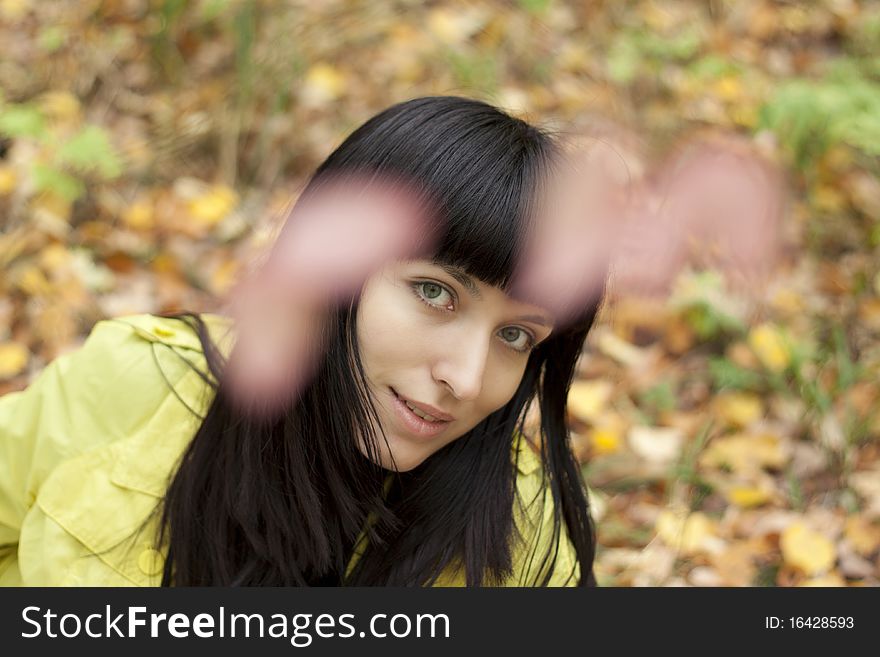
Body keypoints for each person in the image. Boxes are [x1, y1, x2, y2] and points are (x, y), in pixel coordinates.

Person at [0, 96, 605, 587]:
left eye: (515, 334)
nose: (467, 378)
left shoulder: (520, 541)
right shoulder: (138, 388)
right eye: (435, 292)